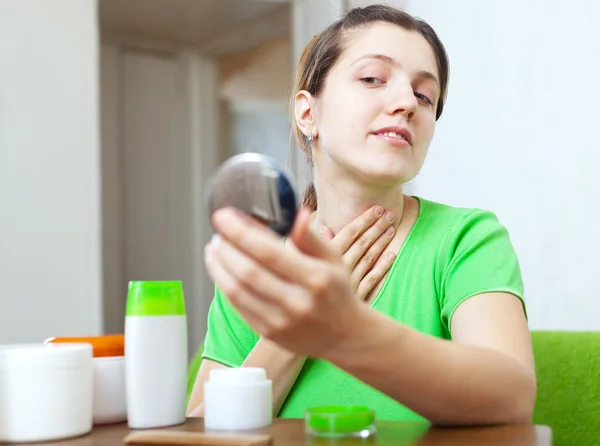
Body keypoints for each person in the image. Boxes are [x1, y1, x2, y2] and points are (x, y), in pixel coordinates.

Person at [187, 4, 536, 426]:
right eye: (372, 78)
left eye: (425, 95)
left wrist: (347, 329)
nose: (407, 101)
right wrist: (295, 334)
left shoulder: (466, 239)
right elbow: (201, 430)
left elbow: (510, 398)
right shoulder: (261, 269)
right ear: (307, 112)